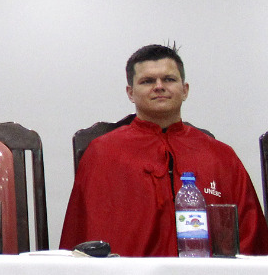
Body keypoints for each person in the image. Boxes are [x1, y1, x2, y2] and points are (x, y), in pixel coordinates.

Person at [61, 43, 268, 256]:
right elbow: (81, 239)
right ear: (130, 93)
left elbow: (251, 240)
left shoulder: (221, 156)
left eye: (169, 79)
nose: (159, 86)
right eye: (148, 81)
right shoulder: (102, 153)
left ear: (185, 90)